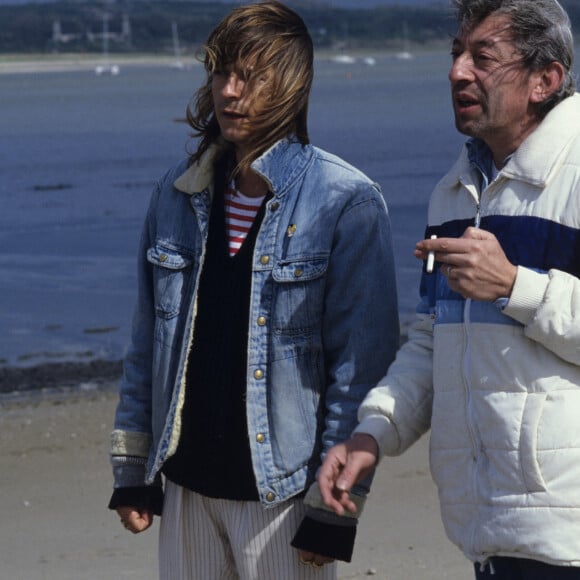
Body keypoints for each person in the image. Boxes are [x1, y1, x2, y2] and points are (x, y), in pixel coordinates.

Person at [107, 2, 400, 579]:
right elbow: (147, 345)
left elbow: (359, 369)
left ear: (290, 86)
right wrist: (133, 474)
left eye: (251, 76)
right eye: (221, 72)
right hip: (186, 487)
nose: (230, 92)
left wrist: (336, 509)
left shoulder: (346, 201)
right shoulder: (175, 194)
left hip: (284, 495)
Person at [318, 0, 580, 578]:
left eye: (482, 57)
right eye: (456, 53)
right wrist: (372, 435)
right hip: (487, 532)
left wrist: (514, 286)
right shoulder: (454, 196)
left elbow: (518, 297)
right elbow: (431, 341)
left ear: (546, 80)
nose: (457, 71)